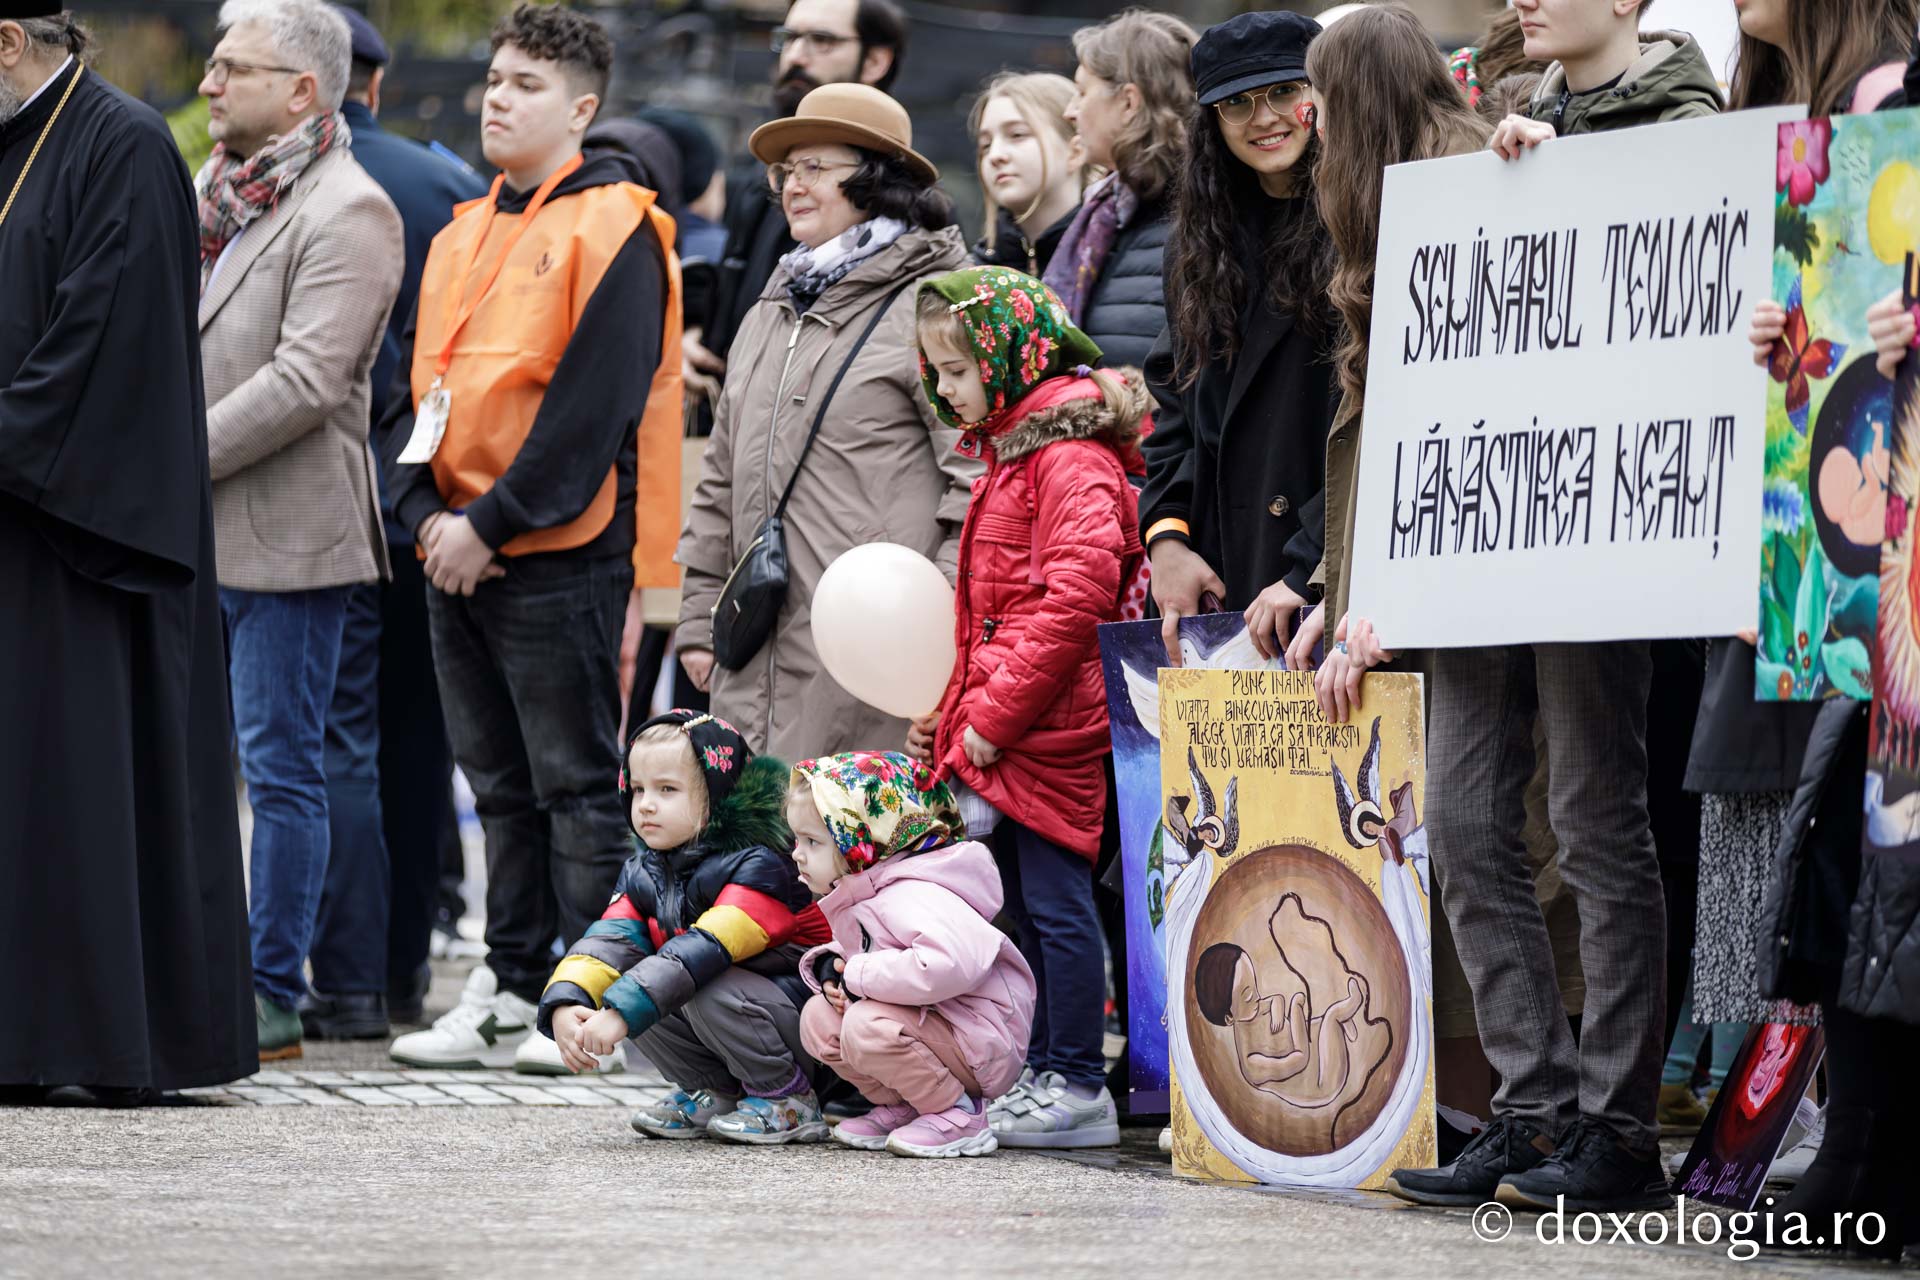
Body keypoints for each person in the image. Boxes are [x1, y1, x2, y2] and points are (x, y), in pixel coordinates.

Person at [1380, 0, 1718, 1215]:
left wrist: (1565, 178)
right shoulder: (1507, 126)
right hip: (1487, 522)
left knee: (1592, 816)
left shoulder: (1692, 120)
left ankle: (1619, 1128)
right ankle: (1531, 1108)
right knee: (1466, 816)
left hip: (1597, 531)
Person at [380, 3, 682, 1074]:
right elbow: (410, 389)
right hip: (452, 547)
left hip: (559, 551)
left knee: (574, 786)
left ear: (583, 108)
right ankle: (508, 985)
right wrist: (423, 517)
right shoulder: (461, 229)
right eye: (496, 79)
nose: (498, 99)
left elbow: (592, 414)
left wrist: (488, 523)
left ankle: (582, 992)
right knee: (498, 787)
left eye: (528, 85)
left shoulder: (618, 225)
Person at [0, 4, 254, 1103]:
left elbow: (108, 344)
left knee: (81, 787)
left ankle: (93, 1043)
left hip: (84, 538)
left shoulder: (127, 147)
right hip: (15, 520)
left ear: (7, 39)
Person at [1684, 0, 1914, 1117]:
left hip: (1878, 582)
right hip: (1807, 563)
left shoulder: (1892, 102)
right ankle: (1822, 1127)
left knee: (1855, 852)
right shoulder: (1786, 116)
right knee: (1810, 860)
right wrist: (1793, 353)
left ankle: (1847, 1132)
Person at [195, 0, 403, 1061]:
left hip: (288, 541)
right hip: (193, 529)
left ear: (302, 91)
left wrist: (166, 458)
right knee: (199, 763)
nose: (208, 83)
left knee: (282, 771)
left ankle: (273, 989)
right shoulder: (216, 192)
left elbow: (306, 381)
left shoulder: (351, 209)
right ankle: (199, 968)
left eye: (232, 68)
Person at [903, 266, 1143, 1147]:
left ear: (1009, 359)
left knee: (1057, 906)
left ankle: (1077, 1083)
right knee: (1019, 911)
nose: (945, 389)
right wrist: (951, 711)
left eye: (958, 370)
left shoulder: (1067, 459)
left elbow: (1074, 599)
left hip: (1052, 727)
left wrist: (993, 719)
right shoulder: (1010, 456)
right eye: (936, 371)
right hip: (1011, 725)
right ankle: (1042, 1070)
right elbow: (987, 617)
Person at [675, 83, 975, 761]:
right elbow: (719, 476)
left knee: (850, 826)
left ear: (875, 180)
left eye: (815, 167)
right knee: (763, 824)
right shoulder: (768, 310)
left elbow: (978, 474)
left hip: (874, 658)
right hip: (752, 650)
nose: (792, 186)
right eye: (786, 171)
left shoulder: (933, 304)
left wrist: (933, 617)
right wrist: (698, 615)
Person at [297, 3, 489, 1042]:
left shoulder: (291, 186)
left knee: (333, 737)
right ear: (378, 82)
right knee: (417, 738)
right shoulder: (446, 184)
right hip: (427, 495)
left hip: (319, 497)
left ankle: (346, 977)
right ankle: (404, 968)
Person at [1141, 10, 1336, 666]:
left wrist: (1311, 565)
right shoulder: (1198, 243)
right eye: (1236, 103)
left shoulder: (1365, 218)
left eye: (1284, 91)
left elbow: (1379, 422)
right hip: (1222, 574)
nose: (1264, 118)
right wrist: (1167, 539)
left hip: (1324, 577)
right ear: (1212, 121)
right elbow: (1174, 402)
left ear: (1319, 94)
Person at [540, 711, 834, 1144]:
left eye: (667, 789)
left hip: (810, 1024)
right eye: (638, 789)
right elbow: (608, 942)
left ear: (716, 793)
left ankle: (788, 1098)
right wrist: (568, 1000)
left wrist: (621, 1013)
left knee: (686, 986)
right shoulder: (645, 869)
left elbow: (708, 946)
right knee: (632, 983)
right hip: (746, 1014)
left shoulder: (763, 863)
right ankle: (716, 1092)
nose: (646, 804)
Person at [790, 752, 1037, 1158]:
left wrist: (859, 975)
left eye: (813, 842)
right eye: (797, 840)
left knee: (865, 1026)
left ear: (863, 840)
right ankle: (907, 1104)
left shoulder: (915, 894)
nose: (797, 854)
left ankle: (958, 1113)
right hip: (939, 1028)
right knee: (819, 1019)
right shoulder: (867, 889)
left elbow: (947, 963)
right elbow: (874, 951)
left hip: (979, 1041)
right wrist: (833, 969)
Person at [683, 0, 908, 419]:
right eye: (788, 38)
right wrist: (692, 336)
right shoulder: (759, 184)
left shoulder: (906, 213)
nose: (796, 55)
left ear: (876, 61)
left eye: (821, 40)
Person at [1044, 9, 1196, 372]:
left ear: (1129, 102)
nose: (1069, 112)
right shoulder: (1106, 214)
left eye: (1082, 92)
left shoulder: (1196, 225)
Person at [969, 71, 1084, 277]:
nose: (995, 155)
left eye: (1017, 134)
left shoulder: (1117, 256)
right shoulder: (970, 279)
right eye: (985, 145)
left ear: (1076, 150)